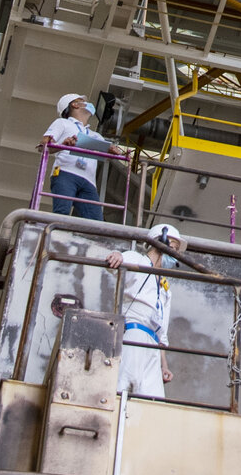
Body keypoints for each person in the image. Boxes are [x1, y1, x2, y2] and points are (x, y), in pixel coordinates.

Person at [104, 222, 181, 398]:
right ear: (162, 242)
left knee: (154, 399)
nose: (176, 256)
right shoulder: (137, 260)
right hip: (133, 332)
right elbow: (120, 262)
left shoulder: (164, 287)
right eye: (174, 249)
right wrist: (117, 255)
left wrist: (164, 365)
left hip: (153, 344)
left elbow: (162, 333)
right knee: (123, 387)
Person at [42, 93, 125, 219]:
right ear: (75, 105)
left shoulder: (95, 136)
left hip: (88, 180)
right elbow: (45, 144)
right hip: (65, 173)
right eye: (81, 101)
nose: (88, 104)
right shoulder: (63, 123)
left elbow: (107, 156)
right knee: (62, 213)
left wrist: (115, 152)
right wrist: (64, 144)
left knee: (96, 222)